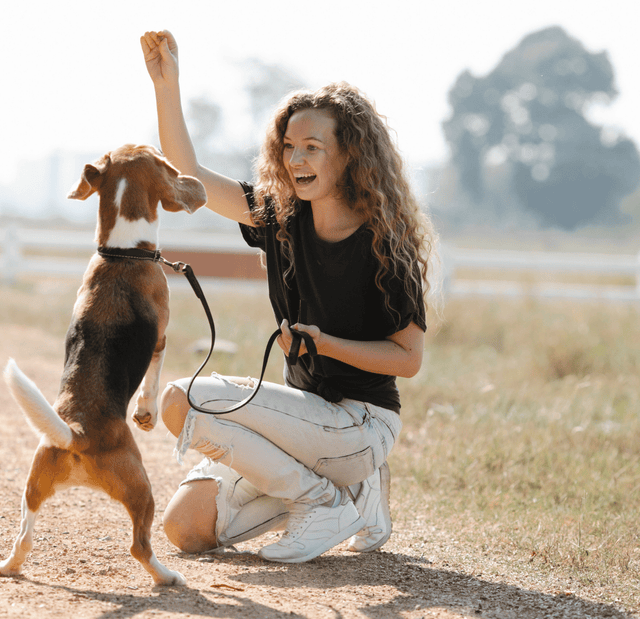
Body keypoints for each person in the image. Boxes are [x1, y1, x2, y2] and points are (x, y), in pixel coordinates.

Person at [140, 30, 436, 563]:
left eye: (313, 147)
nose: (296, 158)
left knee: (181, 399)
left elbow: (409, 359)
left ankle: (324, 499)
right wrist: (167, 86)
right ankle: (352, 497)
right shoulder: (279, 217)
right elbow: (191, 176)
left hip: (360, 424)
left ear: (349, 156)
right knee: (186, 529)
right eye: (289, 146)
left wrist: (326, 344)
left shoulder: (385, 243)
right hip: (301, 425)